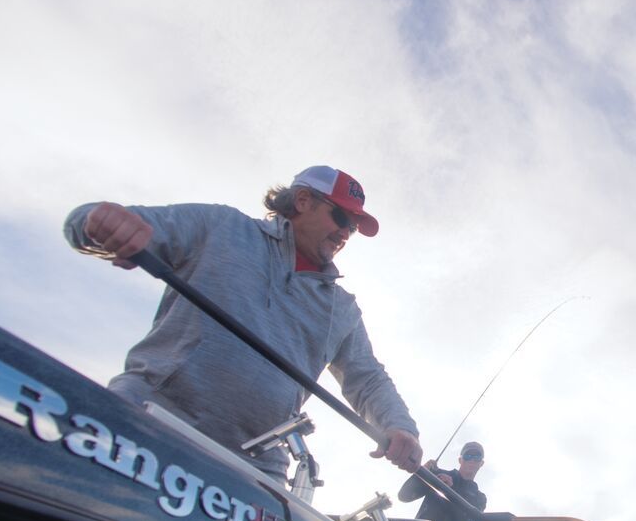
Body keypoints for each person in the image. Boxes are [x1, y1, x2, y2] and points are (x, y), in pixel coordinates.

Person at [63, 166, 421, 484]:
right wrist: (97, 222)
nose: (346, 233)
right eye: (341, 218)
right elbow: (88, 222)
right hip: (148, 419)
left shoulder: (342, 307)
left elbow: (368, 378)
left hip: (256, 468)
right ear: (302, 200)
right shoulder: (222, 227)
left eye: (354, 228)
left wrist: (400, 427)